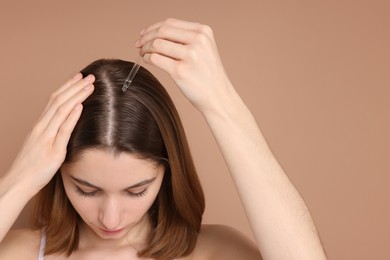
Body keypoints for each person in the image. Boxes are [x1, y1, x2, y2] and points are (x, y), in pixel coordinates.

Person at [0, 18, 327, 259]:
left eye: (136, 190)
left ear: (168, 173)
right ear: (58, 175)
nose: (110, 218)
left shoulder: (213, 252)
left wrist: (223, 104)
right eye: (86, 189)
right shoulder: (22, 253)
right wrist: (21, 178)